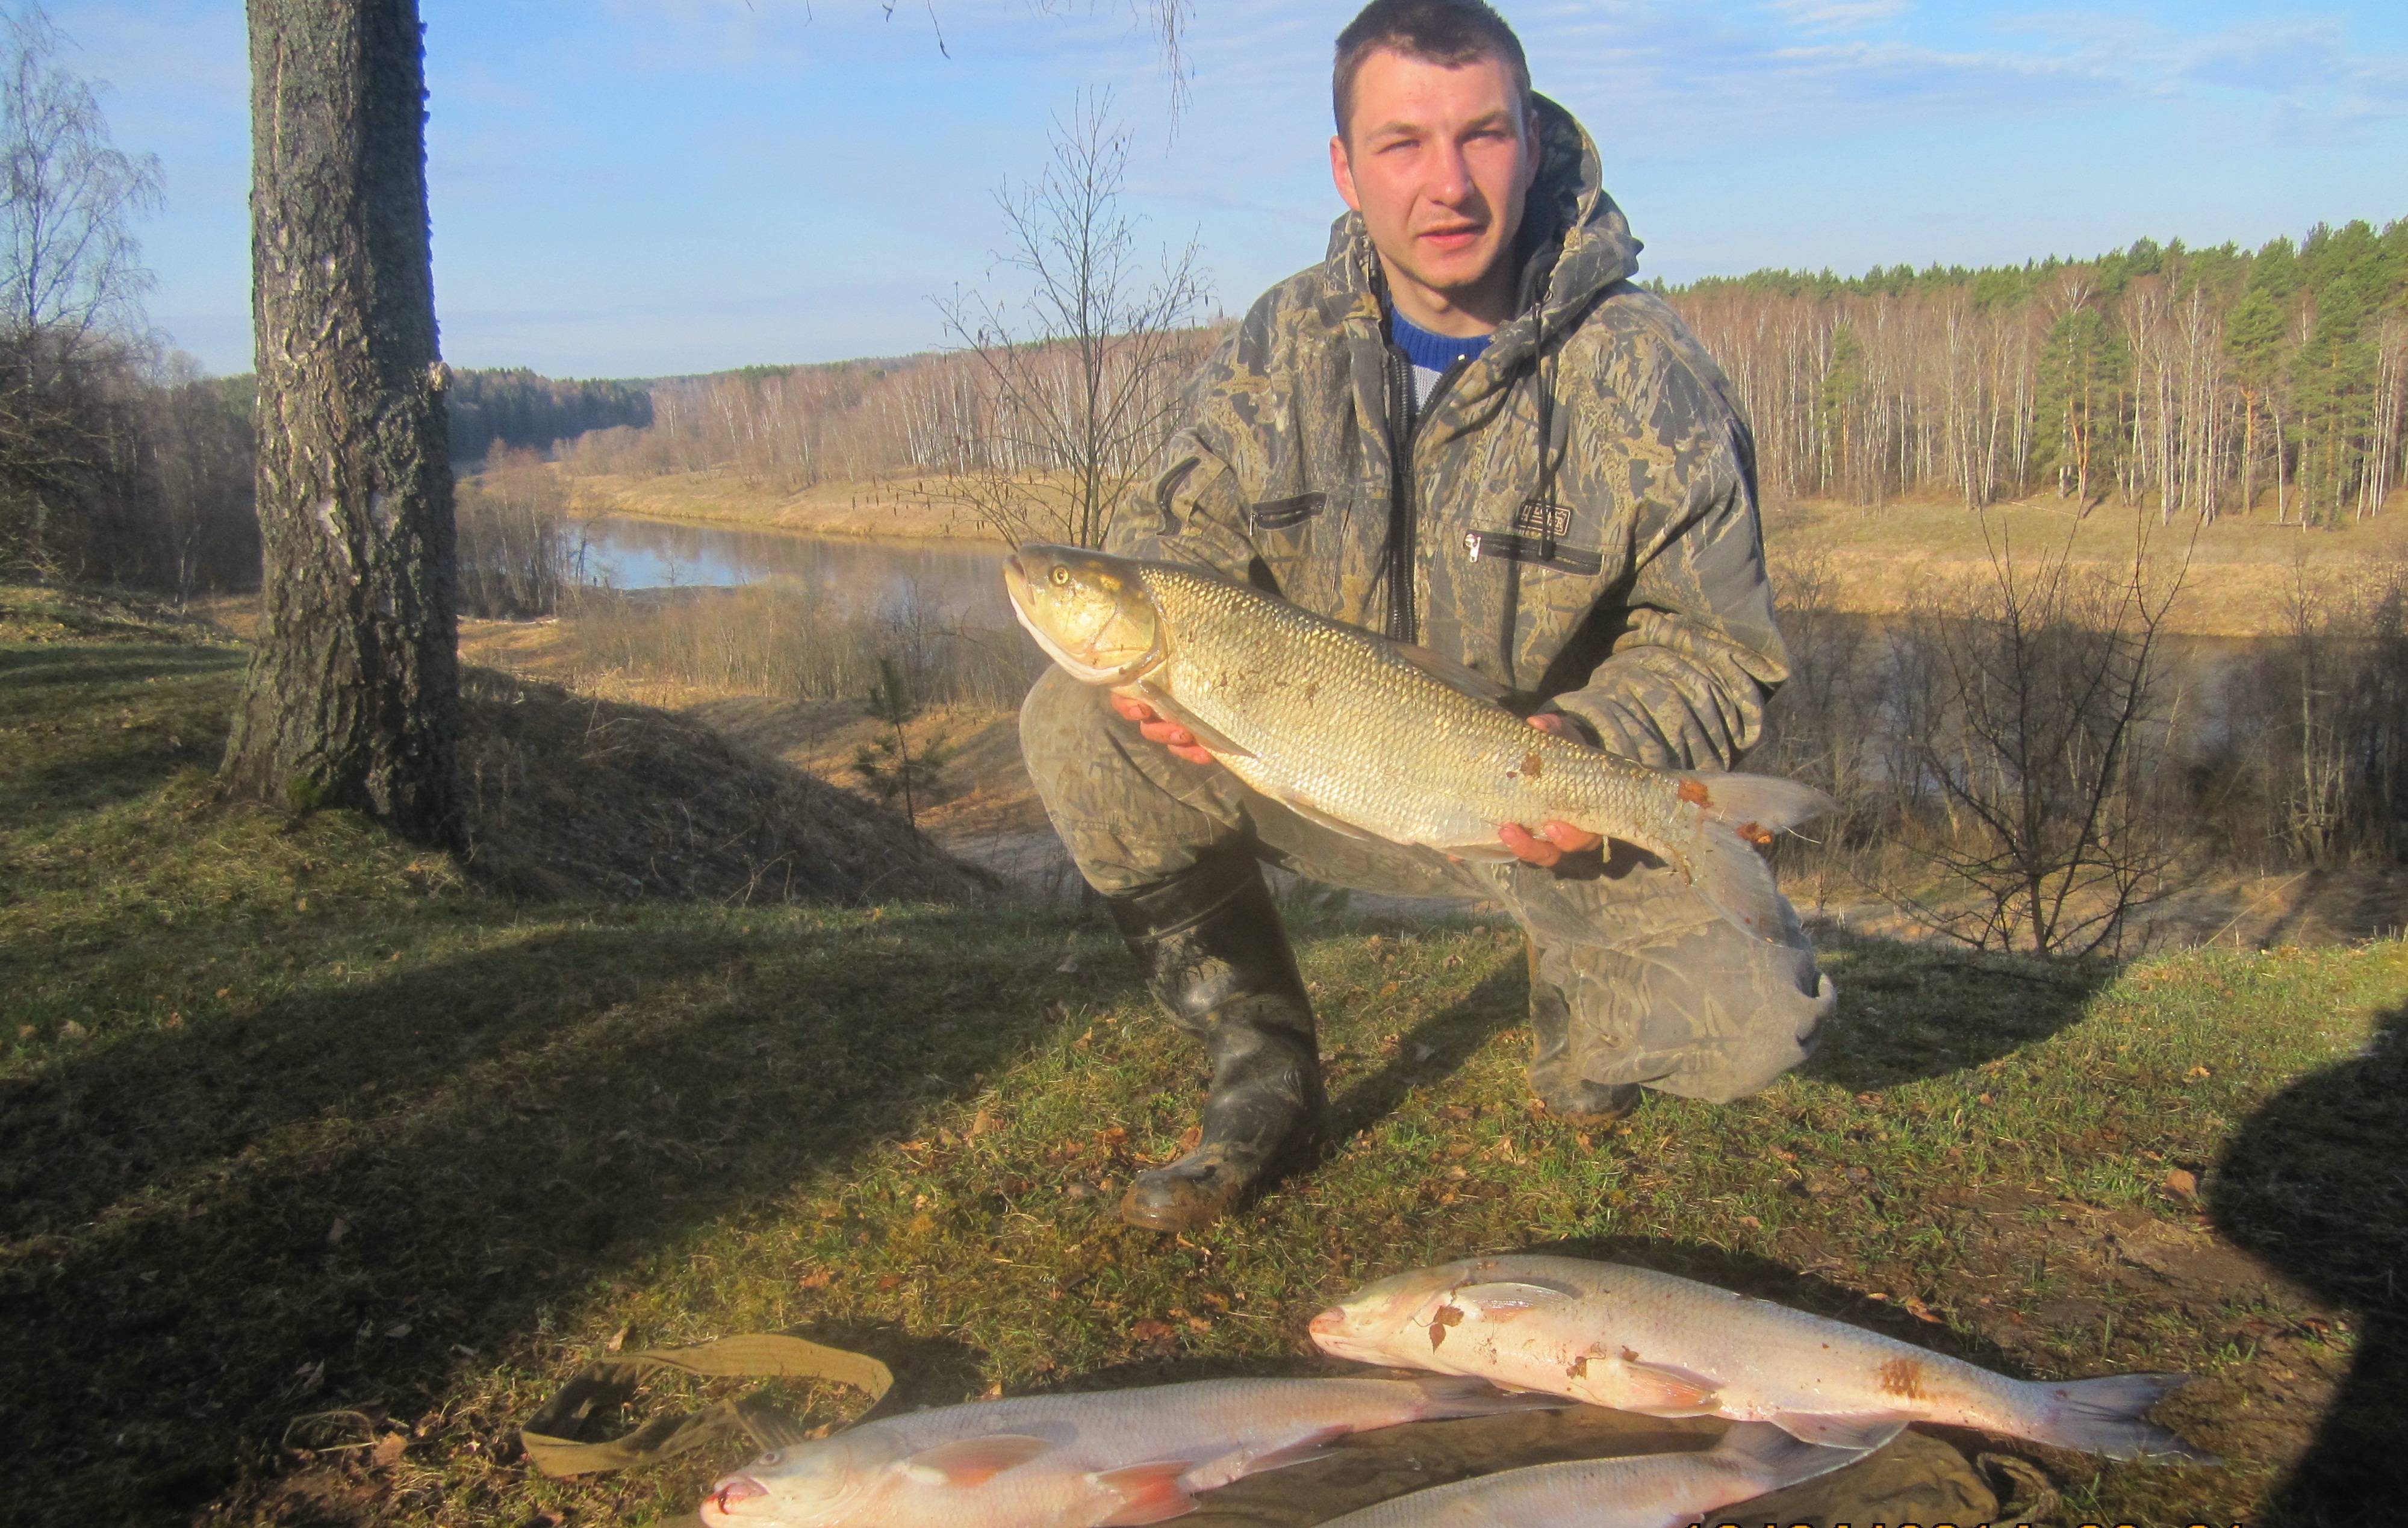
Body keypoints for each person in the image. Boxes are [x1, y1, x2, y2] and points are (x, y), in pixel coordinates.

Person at [1019, 0, 1834, 1233]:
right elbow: (1169, 550)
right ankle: (1262, 1067)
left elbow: (1717, 649)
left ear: (1532, 139)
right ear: (1346, 169)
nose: (1444, 184)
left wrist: (1589, 741)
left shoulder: (1641, 372)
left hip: (1543, 797)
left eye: (1481, 136)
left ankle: (1577, 996)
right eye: (1401, 144)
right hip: (1321, 764)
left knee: (1753, 1029)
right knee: (1072, 724)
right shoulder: (1278, 346)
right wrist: (1159, 684)